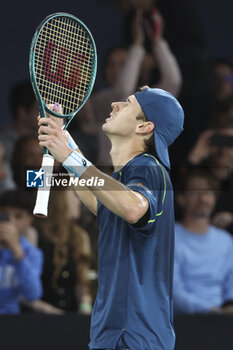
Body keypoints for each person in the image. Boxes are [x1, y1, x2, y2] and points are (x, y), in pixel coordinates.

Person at [36, 86, 184, 349]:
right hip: (114, 334)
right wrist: (63, 139)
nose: (115, 104)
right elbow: (98, 201)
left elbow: (133, 208)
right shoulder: (122, 179)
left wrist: (70, 157)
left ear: (144, 127)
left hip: (134, 337)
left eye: (127, 104)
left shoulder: (148, 167)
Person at [92, 8, 182, 166]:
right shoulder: (99, 99)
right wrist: (137, 44)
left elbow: (173, 82)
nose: (115, 70)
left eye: (122, 64)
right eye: (110, 65)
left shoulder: (144, 101)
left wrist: (157, 41)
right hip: (107, 176)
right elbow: (123, 92)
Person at [173, 170, 233, 314]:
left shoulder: (225, 240)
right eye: (195, 192)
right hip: (183, 319)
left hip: (222, 318)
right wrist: (211, 311)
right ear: (181, 198)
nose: (203, 199)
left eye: (208, 192)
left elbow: (231, 285)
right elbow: (173, 291)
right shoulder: (171, 237)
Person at [30, 189, 93, 315]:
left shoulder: (80, 236)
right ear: (59, 199)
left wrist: (85, 308)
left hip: (72, 316)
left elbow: (83, 283)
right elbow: (23, 285)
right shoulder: (34, 234)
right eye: (74, 196)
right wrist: (52, 313)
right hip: (38, 316)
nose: (79, 201)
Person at [0, 189, 43, 314]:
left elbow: (33, 294)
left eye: (18, 216)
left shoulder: (32, 253)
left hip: (11, 319)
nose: (11, 222)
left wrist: (16, 250)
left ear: (29, 221)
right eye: (5, 215)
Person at [0, 81, 38, 163]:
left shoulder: (46, 138)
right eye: (39, 110)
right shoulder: (2, 143)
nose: (45, 114)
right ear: (22, 112)